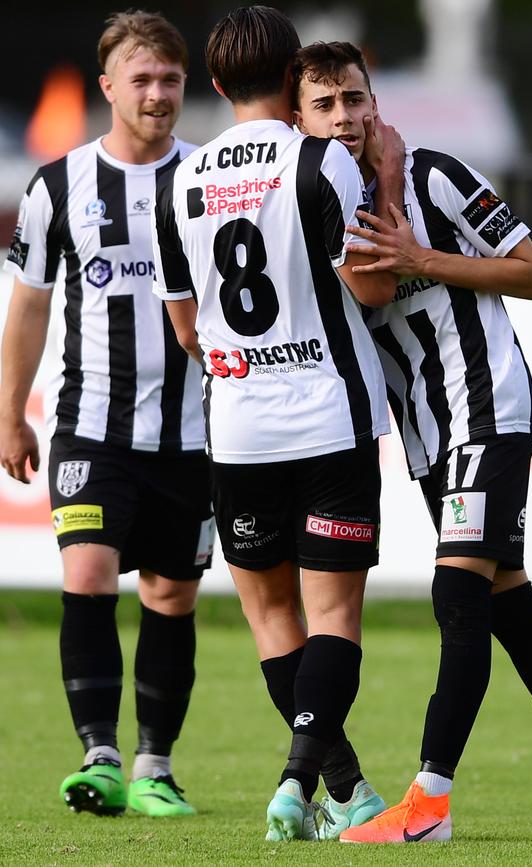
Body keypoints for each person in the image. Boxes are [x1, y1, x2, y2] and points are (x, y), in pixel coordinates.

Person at [293, 40, 532, 845]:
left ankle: (429, 803)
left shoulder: (436, 175)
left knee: (456, 598)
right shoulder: (321, 204)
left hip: (486, 410)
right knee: (509, 607)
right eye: (326, 104)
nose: (345, 117)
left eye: (355, 99)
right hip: (430, 431)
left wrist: (427, 255)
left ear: (374, 103)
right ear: (299, 119)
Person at [150, 5, 404, 842]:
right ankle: (300, 783)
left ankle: (348, 791)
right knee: (334, 618)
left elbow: (187, 328)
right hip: (330, 414)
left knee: (272, 619)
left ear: (217, 85)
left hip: (241, 426)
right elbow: (370, 286)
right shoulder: (321, 160)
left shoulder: (177, 180)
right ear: (296, 75)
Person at [0, 11, 215, 818]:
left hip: (194, 436)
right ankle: (100, 755)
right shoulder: (58, 186)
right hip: (90, 426)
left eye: (170, 80)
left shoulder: (209, 179)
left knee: (171, 595)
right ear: (108, 89)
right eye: (142, 80)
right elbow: (28, 307)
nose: (157, 94)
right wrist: (10, 412)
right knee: (86, 572)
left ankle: (156, 765)